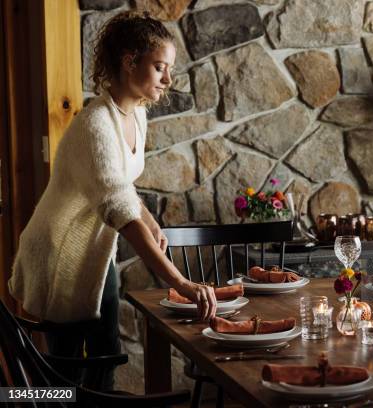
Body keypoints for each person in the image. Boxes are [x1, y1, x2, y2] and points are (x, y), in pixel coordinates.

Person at [8, 11, 217, 390]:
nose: (168, 80)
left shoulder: (137, 114)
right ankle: (20, 400)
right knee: (63, 373)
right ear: (128, 61)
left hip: (96, 252)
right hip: (57, 255)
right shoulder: (94, 125)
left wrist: (151, 222)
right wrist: (181, 283)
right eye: (159, 68)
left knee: (107, 354)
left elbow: (121, 186)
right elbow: (118, 210)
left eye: (169, 69)